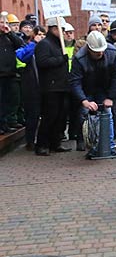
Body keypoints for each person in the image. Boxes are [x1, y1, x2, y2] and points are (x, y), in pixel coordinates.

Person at [70, 31, 116, 155]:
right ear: (89, 49)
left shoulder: (112, 52)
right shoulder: (80, 58)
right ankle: (88, 143)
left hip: (104, 88)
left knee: (107, 112)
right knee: (84, 113)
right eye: (96, 51)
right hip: (87, 88)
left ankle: (108, 146)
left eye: (102, 50)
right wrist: (84, 101)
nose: (100, 53)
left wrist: (110, 97)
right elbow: (75, 82)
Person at [33, 17, 73, 155]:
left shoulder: (57, 44)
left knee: (60, 117)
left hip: (61, 86)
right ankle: (42, 144)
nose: (63, 32)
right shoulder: (45, 44)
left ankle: (55, 142)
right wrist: (59, 60)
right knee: (50, 116)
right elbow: (42, 62)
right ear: (54, 29)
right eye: (61, 29)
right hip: (51, 87)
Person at [16, 25, 45, 149]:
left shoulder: (48, 47)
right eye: (39, 34)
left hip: (45, 86)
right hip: (31, 87)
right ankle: (30, 141)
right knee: (32, 116)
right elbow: (22, 56)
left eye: (43, 35)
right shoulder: (27, 47)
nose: (42, 37)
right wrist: (34, 44)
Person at [0, 12, 24, 135]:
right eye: (1, 23)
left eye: (5, 23)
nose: (3, 25)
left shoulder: (8, 37)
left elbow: (20, 45)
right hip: (1, 74)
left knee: (9, 101)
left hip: (10, 73)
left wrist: (10, 33)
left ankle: (6, 124)